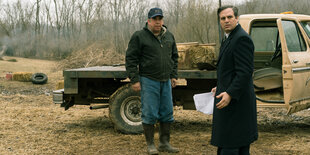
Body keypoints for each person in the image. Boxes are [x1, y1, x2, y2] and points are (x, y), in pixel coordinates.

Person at [125, 7, 179, 155]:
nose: (157, 22)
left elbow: (174, 57)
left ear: (163, 20)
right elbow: (131, 58)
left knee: (167, 112)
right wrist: (134, 79)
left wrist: (173, 75)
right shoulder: (139, 36)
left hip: (165, 80)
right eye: (154, 19)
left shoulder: (169, 36)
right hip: (148, 80)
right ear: (148, 21)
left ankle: (164, 143)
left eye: (160, 19)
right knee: (149, 113)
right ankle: (150, 145)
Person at [210, 6, 258, 155]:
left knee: (231, 144)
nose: (226, 21)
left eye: (230, 17)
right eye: (223, 18)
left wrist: (230, 93)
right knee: (237, 144)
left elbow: (244, 73)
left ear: (236, 18)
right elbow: (230, 70)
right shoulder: (229, 37)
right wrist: (219, 86)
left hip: (238, 102)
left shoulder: (241, 38)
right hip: (231, 99)